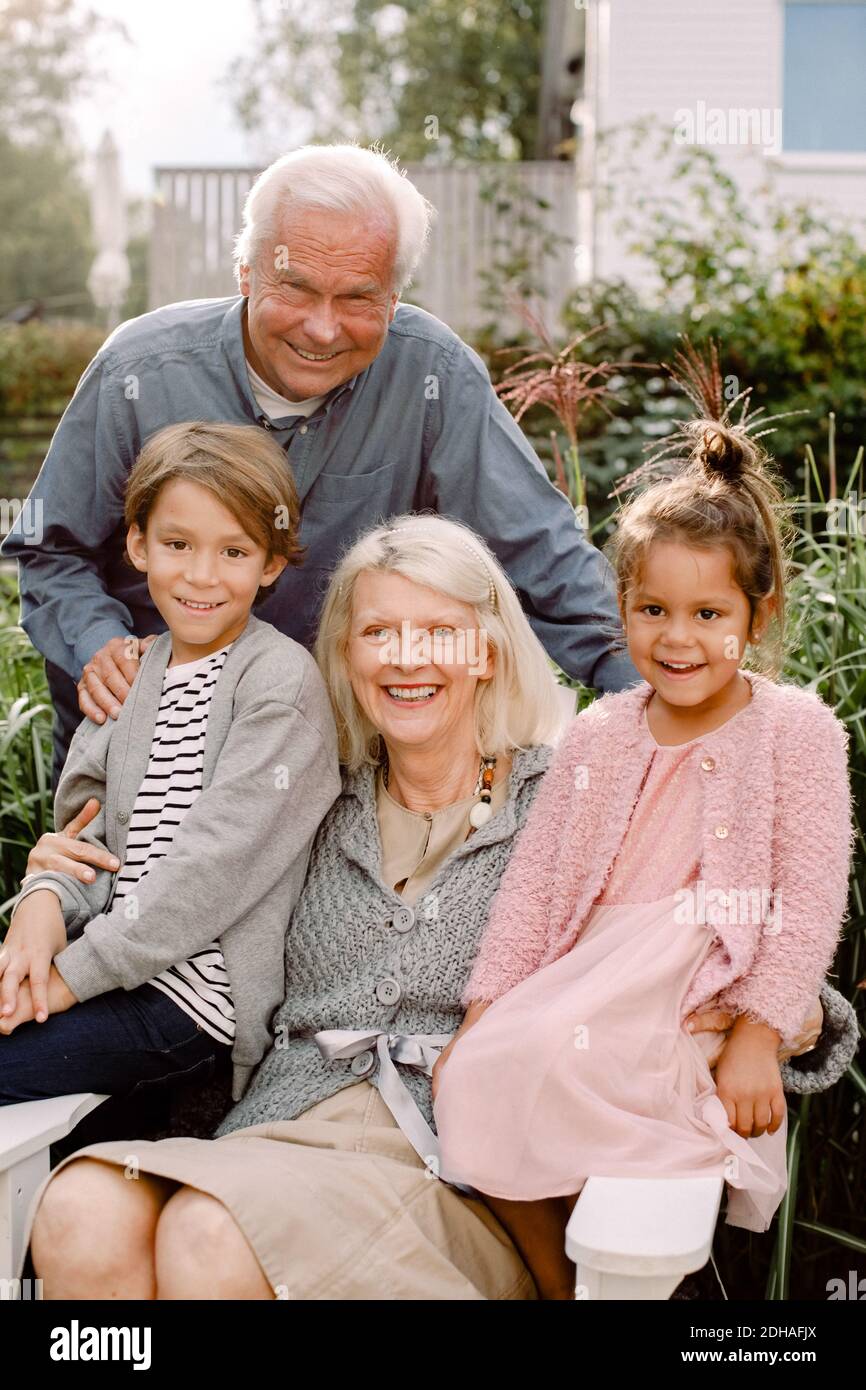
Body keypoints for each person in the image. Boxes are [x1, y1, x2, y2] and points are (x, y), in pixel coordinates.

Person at [13, 513, 854, 1299]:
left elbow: (710, 934)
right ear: (346, 655)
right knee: (82, 1206)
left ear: (486, 651)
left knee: (210, 1234)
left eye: (439, 632)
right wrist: (50, 890)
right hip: (275, 1132)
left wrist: (776, 1022)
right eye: (378, 632)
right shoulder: (298, 799)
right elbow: (147, 876)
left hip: (461, 1176)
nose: (406, 658)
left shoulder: (572, 795)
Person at [0, 142, 639, 795]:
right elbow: (52, 551)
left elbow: (545, 553)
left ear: (394, 299)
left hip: (329, 774)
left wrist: (657, 697)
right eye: (297, 287)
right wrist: (99, 646)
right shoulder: (136, 372)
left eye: (358, 298)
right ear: (246, 272)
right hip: (140, 765)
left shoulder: (433, 378)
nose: (323, 329)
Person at [432, 420, 856, 1299]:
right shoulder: (599, 733)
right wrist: (482, 1011)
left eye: (709, 614)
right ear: (621, 608)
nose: (678, 638)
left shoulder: (795, 730)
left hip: (698, 960)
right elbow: (536, 888)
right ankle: (558, 1281)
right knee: (478, 1074)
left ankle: (655, 1266)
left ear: (758, 615)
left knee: (610, 1070)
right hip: (595, 967)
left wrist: (757, 1033)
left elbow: (811, 902)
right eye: (652, 611)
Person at [0, 421, 341, 1106]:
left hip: (197, 1012)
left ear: (271, 562)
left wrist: (66, 981)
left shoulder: (279, 683)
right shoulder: (129, 673)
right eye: (177, 545)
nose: (202, 575)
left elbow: (213, 867)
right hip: (102, 973)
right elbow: (81, 845)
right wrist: (40, 901)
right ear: (138, 545)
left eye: (234, 551)